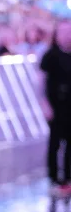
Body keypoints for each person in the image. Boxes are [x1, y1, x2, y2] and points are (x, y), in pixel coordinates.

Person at [40, 20, 71, 196]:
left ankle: (67, 178)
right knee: (55, 143)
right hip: (56, 106)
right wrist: (44, 103)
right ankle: (53, 178)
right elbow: (40, 81)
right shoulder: (50, 56)